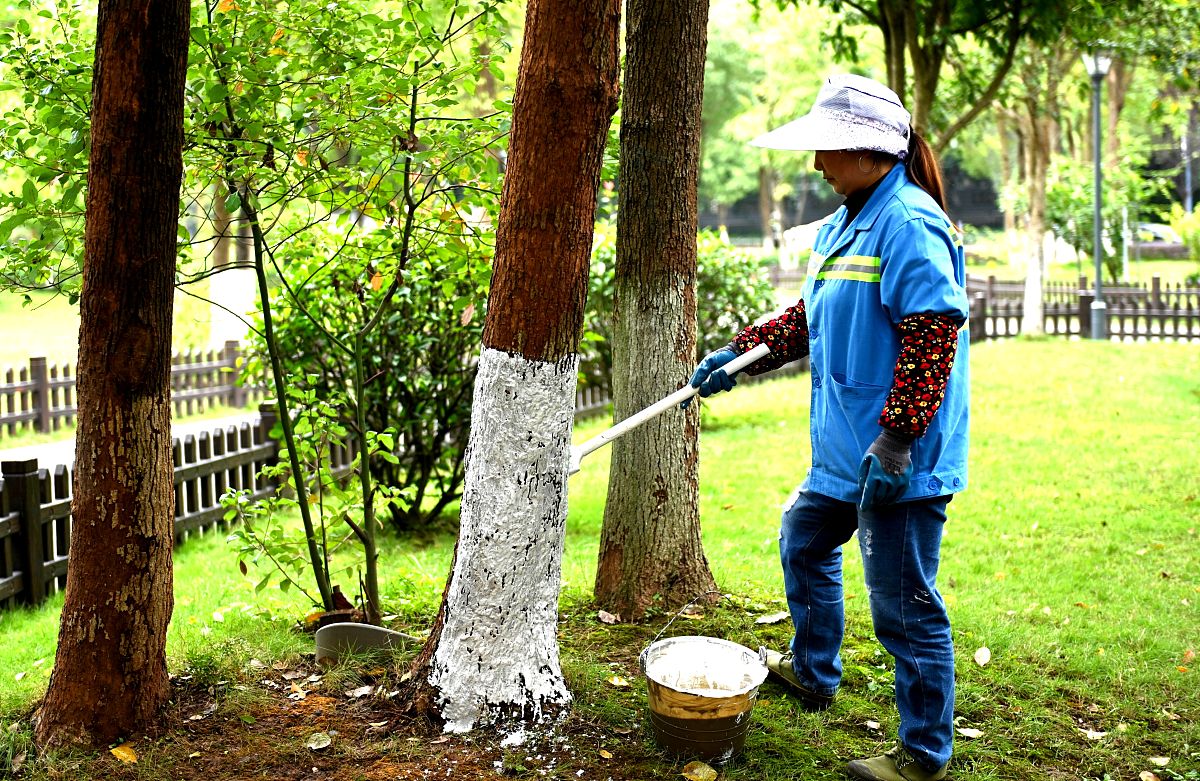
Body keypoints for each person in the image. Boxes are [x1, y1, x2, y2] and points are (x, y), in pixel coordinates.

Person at [686, 74, 969, 781]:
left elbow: (933, 329)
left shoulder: (908, 222)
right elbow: (811, 315)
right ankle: (815, 671)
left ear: (871, 153)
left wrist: (899, 436)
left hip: (896, 457)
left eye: (828, 151)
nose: (817, 164)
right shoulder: (849, 219)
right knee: (805, 538)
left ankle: (924, 754)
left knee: (905, 607)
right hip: (846, 449)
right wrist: (741, 354)